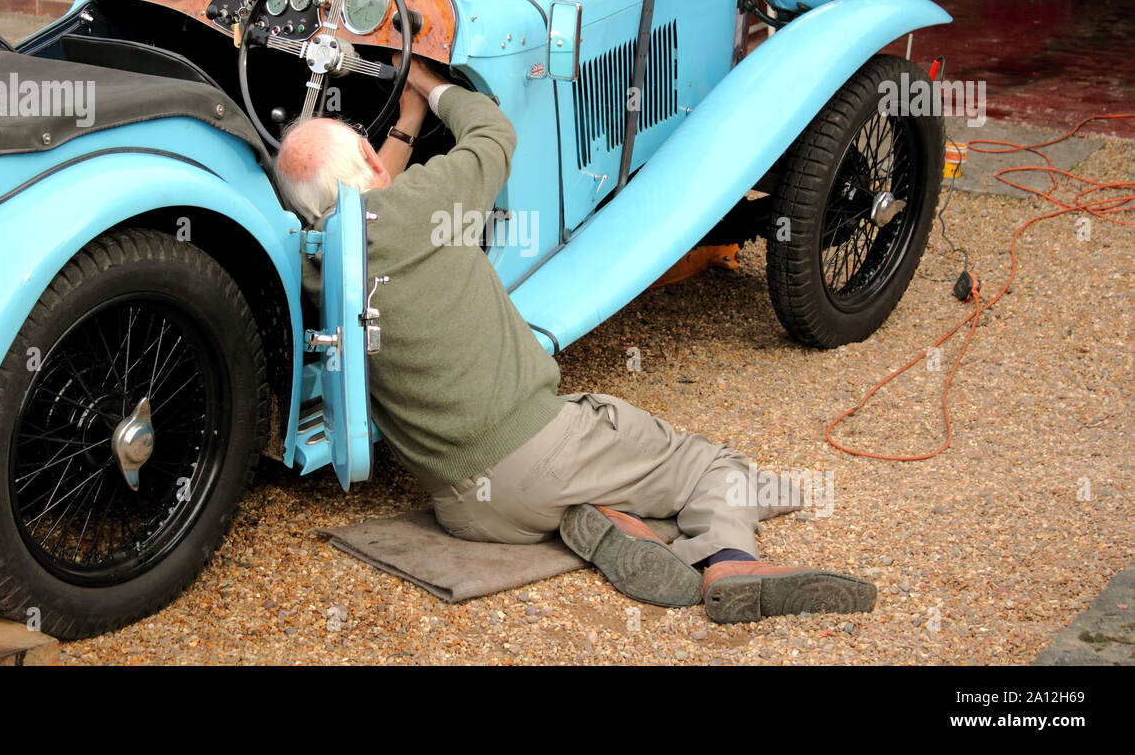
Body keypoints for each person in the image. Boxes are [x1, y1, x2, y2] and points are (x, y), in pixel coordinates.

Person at [274, 56, 875, 622]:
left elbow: (365, 212)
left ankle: (608, 520)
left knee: (599, 483)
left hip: (466, 509)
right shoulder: (422, 200)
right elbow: (493, 133)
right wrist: (431, 87)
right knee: (713, 465)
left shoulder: (313, 267)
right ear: (369, 165)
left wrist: (404, 128)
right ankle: (731, 564)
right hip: (542, 453)